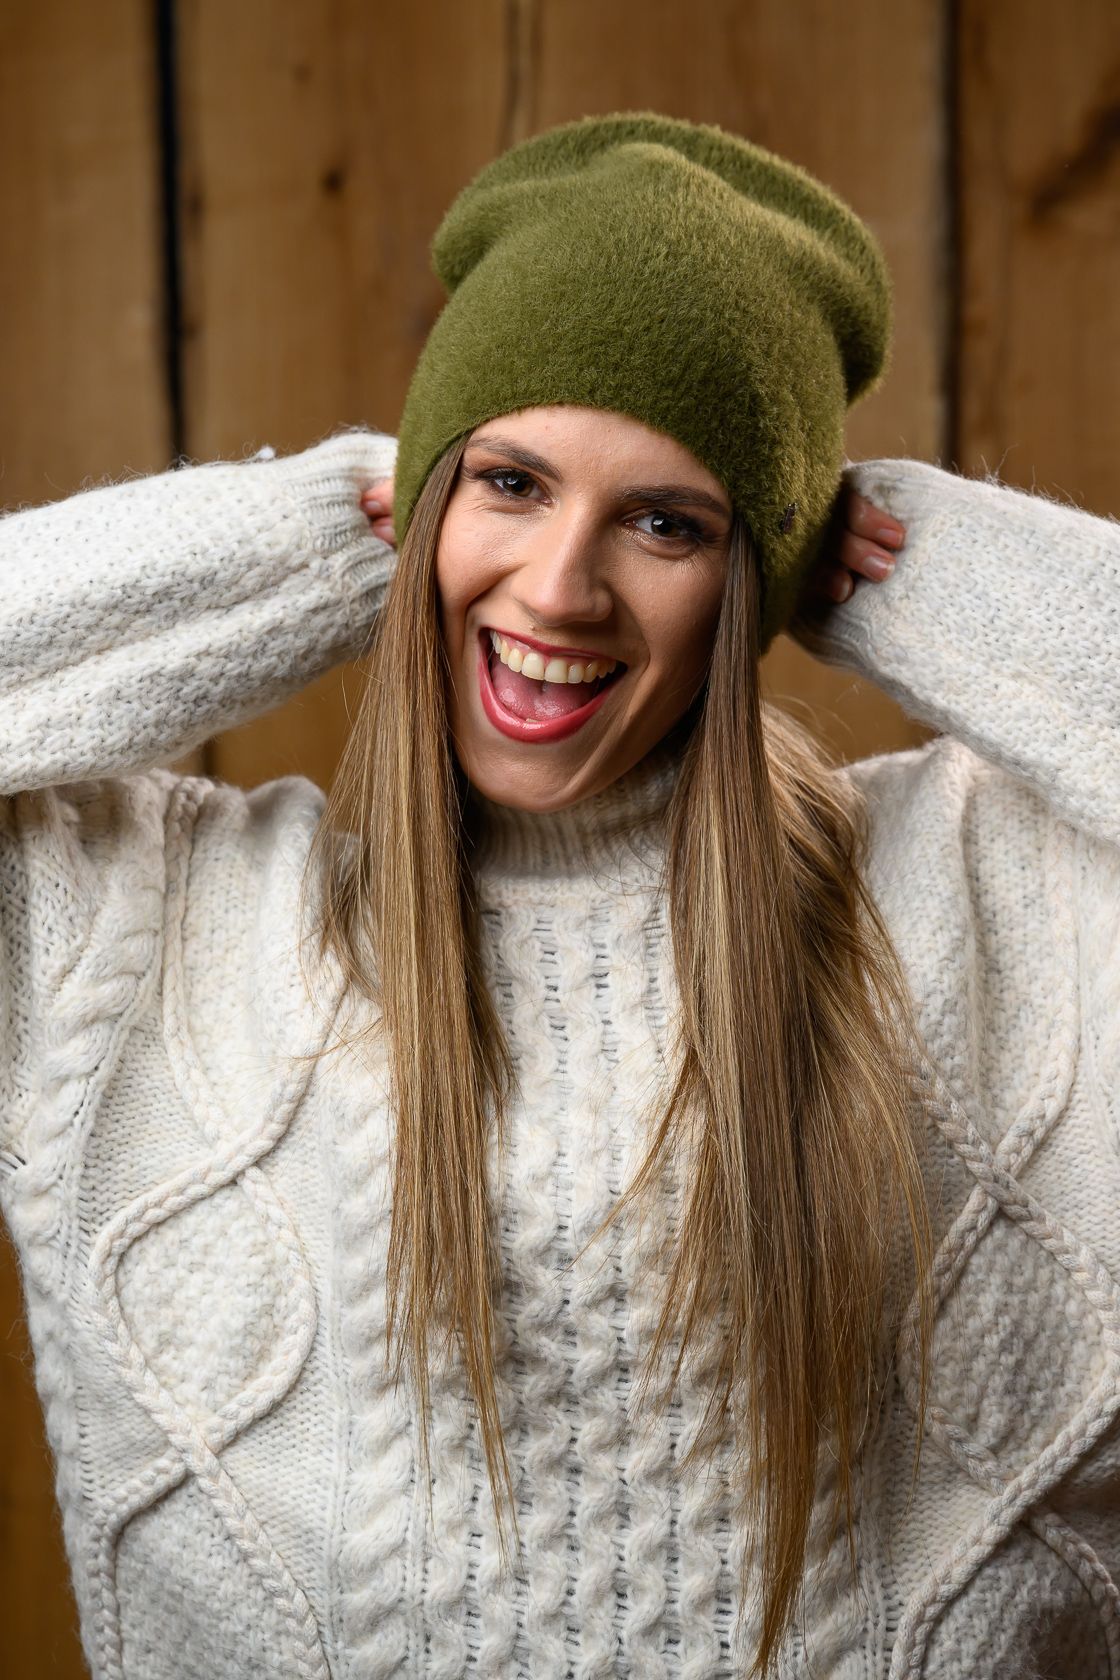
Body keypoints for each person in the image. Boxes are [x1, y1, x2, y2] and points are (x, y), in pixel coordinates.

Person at [1, 113, 1117, 1680]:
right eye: (509, 483)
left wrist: (923, 575)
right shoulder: (140, 925)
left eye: (669, 523)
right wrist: (312, 538)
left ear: (759, 572)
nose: (559, 589)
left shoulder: (997, 906)